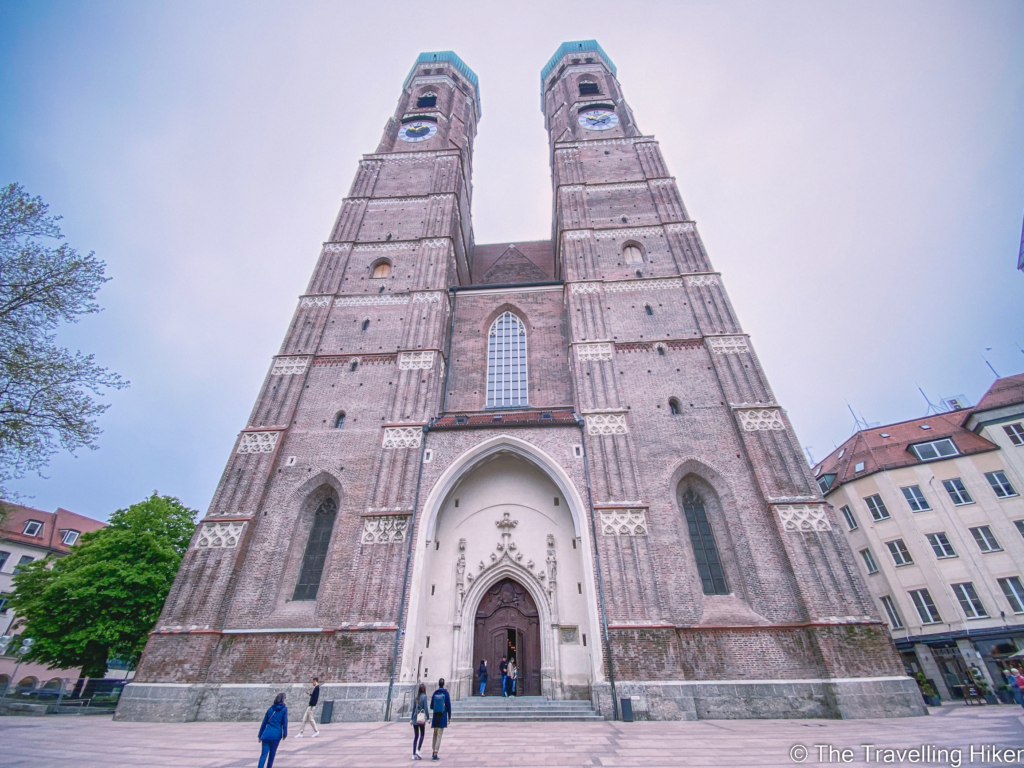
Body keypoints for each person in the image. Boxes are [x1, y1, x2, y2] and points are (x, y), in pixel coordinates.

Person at [257, 692, 288, 768]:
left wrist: (260, 735)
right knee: (272, 754)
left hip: (266, 734)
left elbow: (264, 723)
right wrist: (284, 734)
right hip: (276, 735)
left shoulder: (270, 709)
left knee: (263, 755)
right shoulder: (284, 709)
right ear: (283, 700)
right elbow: (285, 722)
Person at [430, 677, 452, 762]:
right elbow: (448, 706)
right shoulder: (446, 693)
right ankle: (435, 752)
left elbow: (431, 706)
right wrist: (449, 716)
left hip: (435, 717)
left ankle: (433, 750)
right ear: (444, 684)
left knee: (435, 734)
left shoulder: (435, 693)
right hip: (442, 716)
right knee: (439, 735)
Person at [411, 682, 428, 760]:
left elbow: (414, 709)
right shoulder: (424, 697)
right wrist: (428, 718)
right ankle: (418, 749)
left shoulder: (416, 697)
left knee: (416, 736)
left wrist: (411, 719)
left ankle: (413, 754)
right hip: (420, 718)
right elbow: (426, 708)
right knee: (422, 735)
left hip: (415, 718)